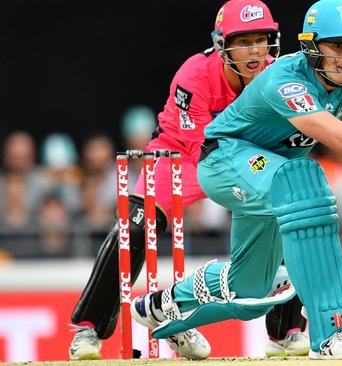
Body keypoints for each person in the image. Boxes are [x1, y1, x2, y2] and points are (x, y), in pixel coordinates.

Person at [130, 0, 342, 360]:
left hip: (275, 173)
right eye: (338, 47)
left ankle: (162, 303)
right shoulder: (286, 79)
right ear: (312, 47)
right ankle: (335, 333)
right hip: (225, 158)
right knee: (308, 185)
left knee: (249, 290)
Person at [69, 0, 308, 360]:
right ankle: (89, 329)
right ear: (222, 44)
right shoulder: (195, 75)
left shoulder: (277, 78)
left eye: (261, 39)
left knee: (294, 211)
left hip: (245, 157)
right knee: (135, 227)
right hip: (182, 157)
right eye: (243, 42)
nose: (255, 51)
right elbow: (204, 152)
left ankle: (285, 333)